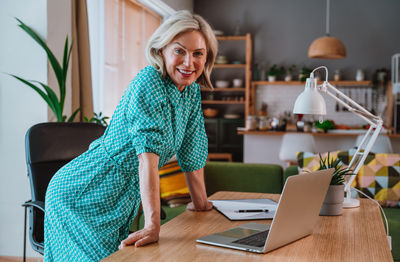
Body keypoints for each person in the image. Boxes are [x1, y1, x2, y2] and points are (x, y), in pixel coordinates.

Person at [44, 10, 218, 261]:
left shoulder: (189, 91)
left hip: (121, 200)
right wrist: (152, 225)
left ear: (206, 57)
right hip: (81, 194)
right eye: (179, 51)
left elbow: (193, 150)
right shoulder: (149, 82)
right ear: (162, 51)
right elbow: (147, 159)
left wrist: (201, 203)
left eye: (197, 53)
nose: (189, 63)